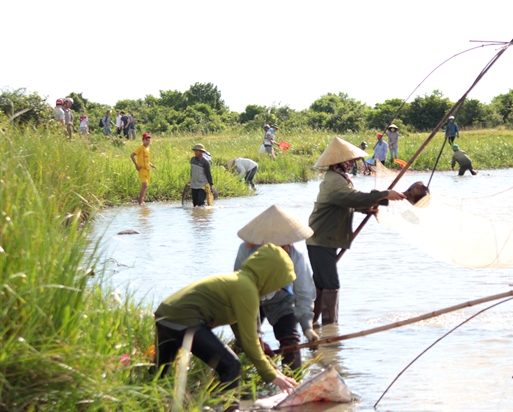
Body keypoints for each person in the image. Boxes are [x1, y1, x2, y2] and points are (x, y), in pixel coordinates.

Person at [154, 244, 298, 392]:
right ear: (270, 277)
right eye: (278, 286)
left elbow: (245, 337)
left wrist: (274, 371)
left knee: (159, 374)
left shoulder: (239, 281)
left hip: (165, 317)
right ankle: (230, 407)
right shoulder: (246, 290)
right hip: (184, 320)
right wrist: (271, 376)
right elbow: (250, 343)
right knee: (230, 365)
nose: (275, 291)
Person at [306, 137, 406, 325]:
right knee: (330, 285)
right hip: (321, 240)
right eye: (348, 161)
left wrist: (366, 208)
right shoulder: (335, 180)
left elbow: (344, 203)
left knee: (321, 285)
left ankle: (312, 325)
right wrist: (384, 195)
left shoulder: (340, 178)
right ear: (339, 163)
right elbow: (349, 198)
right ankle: (330, 329)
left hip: (325, 239)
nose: (352, 164)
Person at [233, 205, 319, 370]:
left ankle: (293, 384)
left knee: (291, 341)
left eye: (283, 245)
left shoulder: (296, 255)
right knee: (245, 342)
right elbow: (239, 286)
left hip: (281, 299)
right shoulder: (246, 250)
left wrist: (308, 328)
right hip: (251, 300)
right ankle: (230, 381)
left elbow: (304, 294)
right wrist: (254, 336)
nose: (281, 249)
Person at [130, 133, 157, 205]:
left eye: (149, 140)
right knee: (144, 185)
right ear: (143, 140)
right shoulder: (140, 148)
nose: (148, 142)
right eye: (146, 140)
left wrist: (152, 165)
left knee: (146, 186)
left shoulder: (148, 149)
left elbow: (147, 160)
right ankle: (140, 201)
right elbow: (132, 155)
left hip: (147, 169)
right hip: (141, 169)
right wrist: (136, 165)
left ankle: (142, 200)